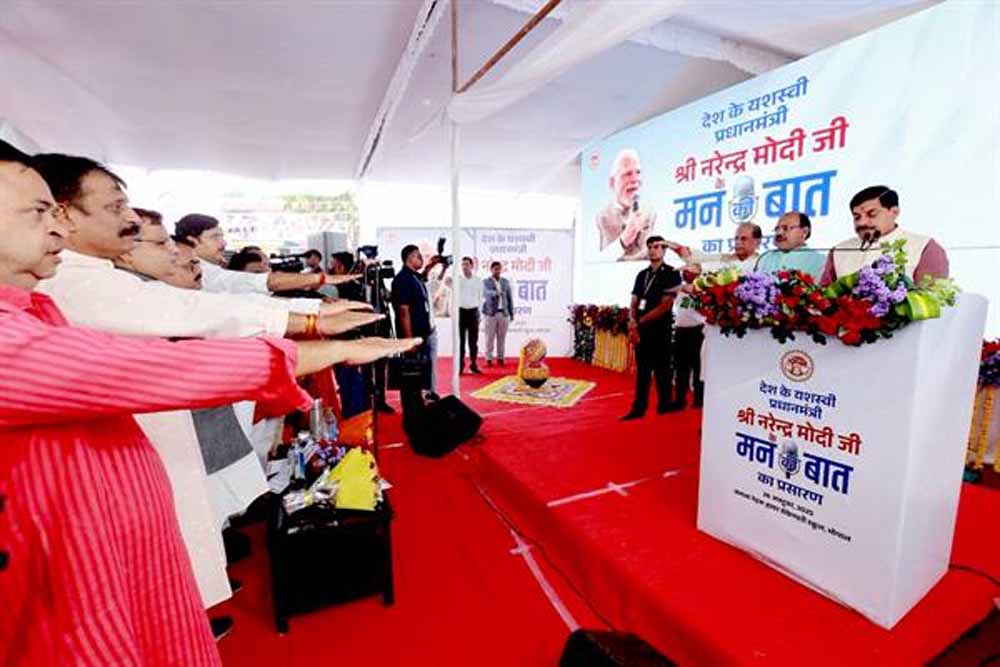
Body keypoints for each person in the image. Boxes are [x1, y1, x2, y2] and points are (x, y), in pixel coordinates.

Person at [0, 139, 420, 667]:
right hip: (76, 566)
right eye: (38, 213)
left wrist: (311, 324)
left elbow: (207, 307)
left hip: (119, 538)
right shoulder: (46, 308)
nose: (56, 230)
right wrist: (319, 338)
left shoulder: (38, 306)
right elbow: (162, 363)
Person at [174, 213, 354, 297]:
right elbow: (256, 283)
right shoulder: (202, 273)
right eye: (215, 237)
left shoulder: (209, 270)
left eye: (222, 236)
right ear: (192, 240)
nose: (223, 243)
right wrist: (317, 279)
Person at [821, 185, 949, 285]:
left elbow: (930, 303)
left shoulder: (924, 247)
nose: (862, 222)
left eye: (871, 214)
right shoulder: (839, 251)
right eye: (857, 217)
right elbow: (823, 300)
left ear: (894, 212)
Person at [622, 235, 683, 421]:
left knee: (663, 370)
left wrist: (641, 321)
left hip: (660, 329)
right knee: (643, 371)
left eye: (657, 247)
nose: (652, 250)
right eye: (649, 247)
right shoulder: (642, 274)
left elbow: (666, 305)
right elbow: (634, 301)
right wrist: (632, 321)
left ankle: (665, 405)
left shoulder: (672, 273)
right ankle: (639, 408)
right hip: (642, 329)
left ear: (664, 250)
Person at [392, 244, 436, 431]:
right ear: (409, 258)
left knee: (418, 380)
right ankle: (411, 421)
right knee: (410, 379)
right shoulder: (402, 279)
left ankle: (417, 415)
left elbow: (425, 274)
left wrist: (434, 264)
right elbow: (403, 311)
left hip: (422, 335)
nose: (421, 259)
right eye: (418, 256)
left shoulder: (414, 277)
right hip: (413, 338)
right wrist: (409, 340)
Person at [595, 148, 657, 261]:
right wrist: (624, 240)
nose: (635, 179)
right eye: (628, 174)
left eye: (638, 172)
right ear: (612, 182)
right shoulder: (600, 217)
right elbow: (594, 262)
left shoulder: (651, 213)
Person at [754, 212, 825, 279]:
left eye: (785, 228)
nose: (779, 233)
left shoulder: (820, 261)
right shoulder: (765, 258)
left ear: (804, 232)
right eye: (777, 229)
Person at [482, 260, 514, 367]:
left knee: (502, 338)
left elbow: (509, 298)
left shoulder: (505, 282)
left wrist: (511, 313)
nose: (498, 271)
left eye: (499, 269)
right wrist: (496, 293)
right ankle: (488, 358)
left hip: (503, 313)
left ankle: (501, 358)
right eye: (496, 269)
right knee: (489, 338)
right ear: (491, 270)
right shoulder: (486, 281)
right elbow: (485, 292)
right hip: (490, 313)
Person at [458, 256, 483, 374]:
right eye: (463, 264)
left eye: (467, 264)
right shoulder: (457, 279)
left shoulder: (478, 280)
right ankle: (460, 365)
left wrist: (479, 314)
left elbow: (480, 298)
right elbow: (444, 283)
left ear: (472, 266)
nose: (464, 267)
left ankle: (473, 364)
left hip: (473, 313)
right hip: (461, 312)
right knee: (460, 342)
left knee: (473, 341)